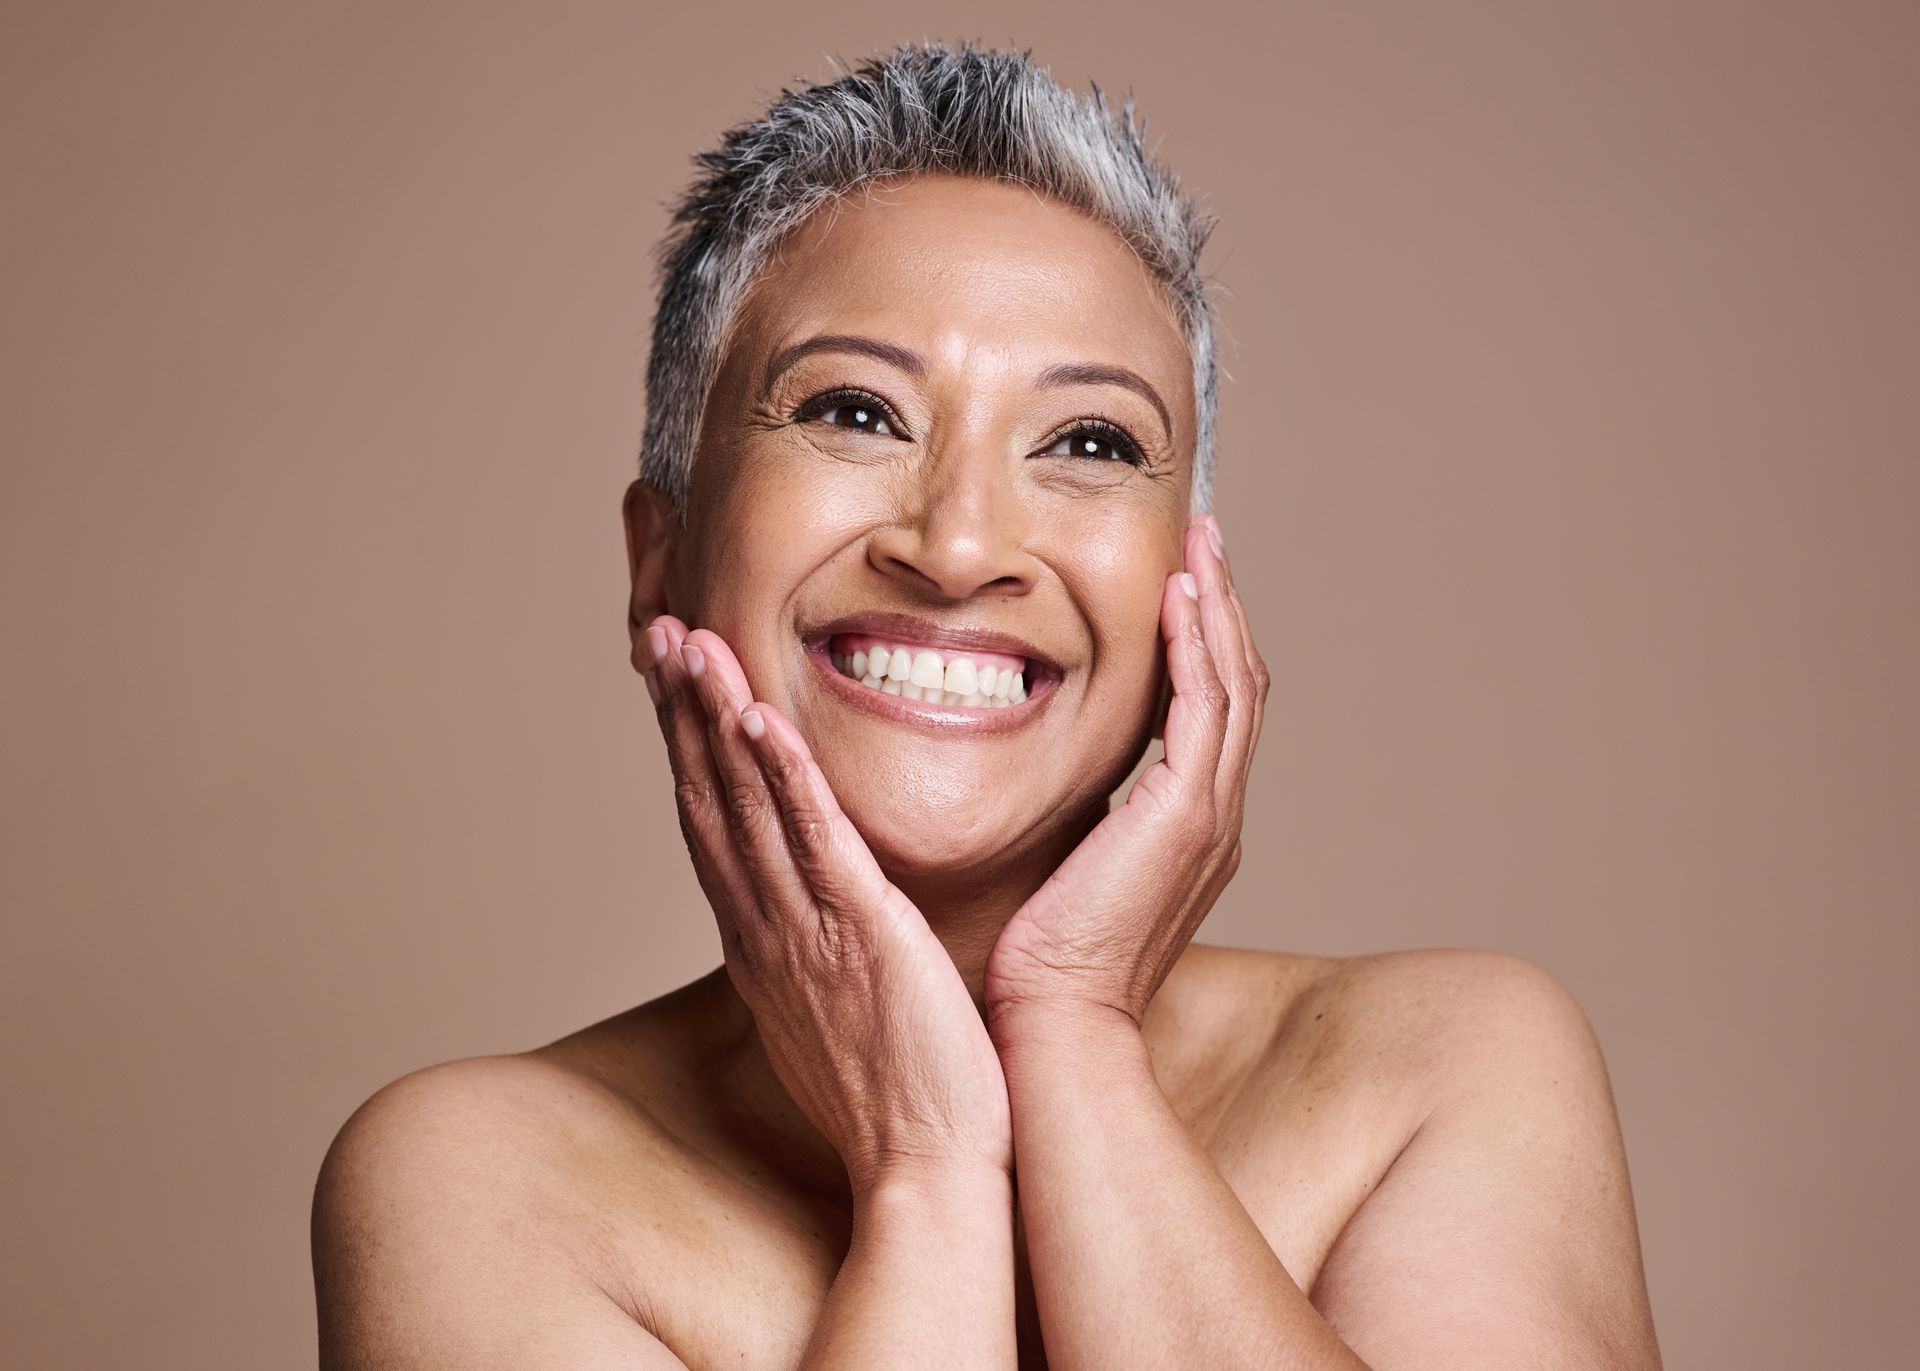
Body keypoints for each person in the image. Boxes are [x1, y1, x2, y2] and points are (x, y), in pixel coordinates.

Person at [311, 41, 1662, 1369]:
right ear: (658, 559)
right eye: (854, 413)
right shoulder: (477, 1183)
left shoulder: (1444, 1073)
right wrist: (926, 1163)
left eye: (1090, 442)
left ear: (1192, 583)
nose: (958, 548)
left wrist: (1076, 1032)